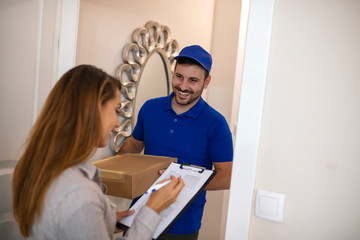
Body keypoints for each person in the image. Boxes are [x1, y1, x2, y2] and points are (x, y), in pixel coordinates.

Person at [12, 64, 184, 240]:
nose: (118, 123)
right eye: (116, 110)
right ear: (93, 109)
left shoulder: (37, 167)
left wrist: (104, 220)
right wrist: (152, 209)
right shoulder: (80, 195)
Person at [118, 45, 234, 240]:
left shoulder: (216, 123)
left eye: (193, 80)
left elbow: (227, 176)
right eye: (179, 76)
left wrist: (182, 179)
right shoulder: (150, 108)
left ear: (207, 82)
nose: (183, 86)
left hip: (183, 224)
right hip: (140, 212)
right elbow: (134, 146)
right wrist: (114, 165)